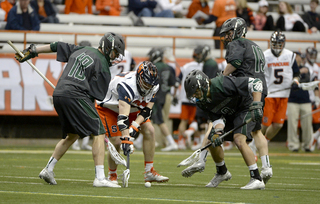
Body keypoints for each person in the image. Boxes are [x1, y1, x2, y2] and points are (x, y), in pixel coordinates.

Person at [14, 32, 125, 187]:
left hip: (58, 93)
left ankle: (48, 169)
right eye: (114, 52)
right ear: (107, 48)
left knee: (72, 135)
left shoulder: (81, 49)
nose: (115, 56)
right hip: (75, 94)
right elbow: (95, 96)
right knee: (99, 131)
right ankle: (100, 177)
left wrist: (34, 50)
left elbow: (56, 45)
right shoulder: (103, 66)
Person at [182, 69, 268, 190]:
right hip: (228, 114)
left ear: (203, 85)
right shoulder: (202, 102)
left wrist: (257, 104)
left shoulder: (221, 84)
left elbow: (256, 83)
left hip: (244, 107)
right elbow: (217, 118)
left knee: (238, 139)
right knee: (211, 140)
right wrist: (218, 132)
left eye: (195, 91)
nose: (195, 96)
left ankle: (256, 178)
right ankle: (222, 172)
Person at [95, 61, 169, 184]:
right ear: (139, 78)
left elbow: (146, 111)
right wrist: (126, 138)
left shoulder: (154, 85)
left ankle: (149, 171)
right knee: (117, 141)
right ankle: (112, 175)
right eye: (145, 83)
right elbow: (123, 118)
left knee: (150, 130)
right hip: (110, 108)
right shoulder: (127, 85)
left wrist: (134, 126)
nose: (148, 87)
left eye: (150, 84)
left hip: (134, 106)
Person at [219, 17, 272, 181]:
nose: (227, 37)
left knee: (239, 136)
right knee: (257, 131)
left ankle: (253, 173)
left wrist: (221, 78)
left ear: (237, 31)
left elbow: (235, 62)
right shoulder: (255, 46)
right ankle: (266, 166)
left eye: (228, 33)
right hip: (260, 89)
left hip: (248, 90)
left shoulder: (237, 44)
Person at [248, 30, 300, 157]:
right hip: (270, 94)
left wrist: (295, 81)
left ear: (283, 44)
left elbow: (297, 73)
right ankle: (254, 145)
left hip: (284, 94)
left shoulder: (290, 55)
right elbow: (258, 74)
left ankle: (263, 143)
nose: (277, 46)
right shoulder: (265, 55)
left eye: (279, 44)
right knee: (265, 123)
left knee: (278, 125)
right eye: (274, 44)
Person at [145, 47, 178, 151]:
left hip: (156, 96)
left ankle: (171, 142)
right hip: (165, 95)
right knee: (150, 118)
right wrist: (174, 96)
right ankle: (139, 140)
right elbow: (174, 83)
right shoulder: (168, 67)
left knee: (159, 120)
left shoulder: (153, 67)